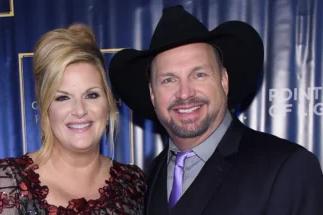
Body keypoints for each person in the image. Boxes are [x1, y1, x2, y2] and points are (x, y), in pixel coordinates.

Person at [108, 5, 323, 215]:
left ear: (224, 80)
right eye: (169, 79)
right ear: (153, 95)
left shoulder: (287, 169)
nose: (184, 93)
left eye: (199, 74)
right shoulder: (154, 173)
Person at [0, 23, 146, 214]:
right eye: (62, 97)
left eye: (91, 95)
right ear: (44, 106)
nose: (79, 110)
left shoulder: (133, 185)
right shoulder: (8, 185)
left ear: (108, 102)